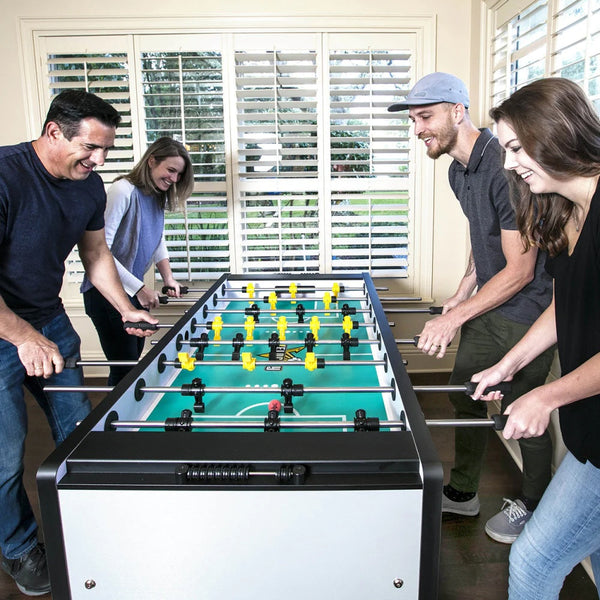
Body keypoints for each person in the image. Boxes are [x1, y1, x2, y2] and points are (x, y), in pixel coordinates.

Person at [0, 90, 157, 597]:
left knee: (79, 432)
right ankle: (21, 548)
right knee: (6, 456)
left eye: (107, 150)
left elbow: (95, 254)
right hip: (4, 328)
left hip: (49, 319)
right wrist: (23, 337)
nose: (100, 161)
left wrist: (124, 306)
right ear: (53, 133)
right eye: (90, 148)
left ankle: (91, 523)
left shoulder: (87, 187)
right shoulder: (5, 176)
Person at [388, 72, 555, 543]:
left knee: (518, 414)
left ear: (458, 111)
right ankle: (463, 493)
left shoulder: (505, 167)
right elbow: (482, 238)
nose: (417, 128)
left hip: (529, 311)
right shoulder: (457, 171)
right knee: (465, 394)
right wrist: (464, 290)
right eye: (414, 119)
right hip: (488, 303)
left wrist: (454, 317)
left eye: (425, 116)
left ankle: (534, 507)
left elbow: (521, 269)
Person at [471, 77, 600, 599]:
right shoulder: (567, 213)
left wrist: (546, 394)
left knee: (533, 561)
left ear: (558, 134)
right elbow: (565, 303)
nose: (508, 164)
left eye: (517, 148)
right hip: (591, 427)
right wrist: (510, 363)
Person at [81, 137, 194, 386]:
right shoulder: (123, 189)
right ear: (152, 161)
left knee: (131, 364)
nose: (174, 179)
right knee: (125, 368)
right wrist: (140, 289)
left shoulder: (155, 195)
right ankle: (114, 425)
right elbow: (101, 251)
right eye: (171, 170)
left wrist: (168, 277)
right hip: (105, 292)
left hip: (130, 289)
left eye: (179, 174)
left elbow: (157, 238)